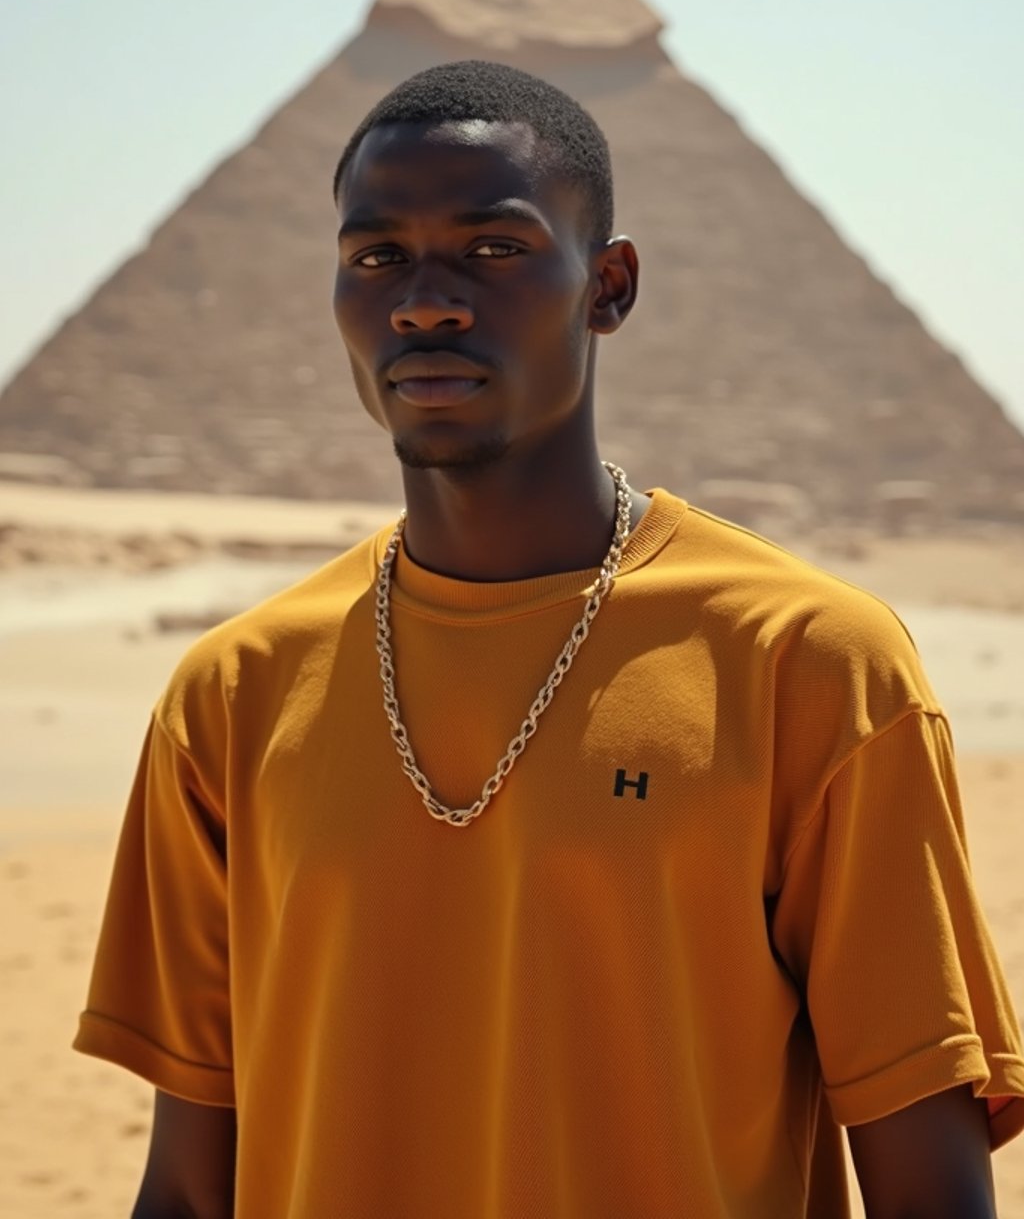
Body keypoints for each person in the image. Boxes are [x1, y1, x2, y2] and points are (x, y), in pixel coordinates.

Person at [75, 59, 1024, 1218]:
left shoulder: (810, 664)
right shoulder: (232, 693)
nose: (425, 301)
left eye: (494, 249)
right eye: (376, 258)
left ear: (609, 286)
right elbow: (184, 1186)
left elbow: (929, 1183)